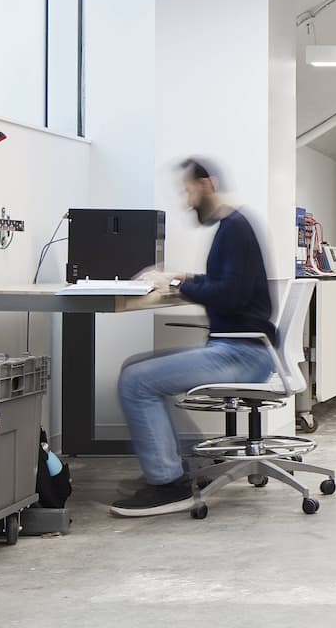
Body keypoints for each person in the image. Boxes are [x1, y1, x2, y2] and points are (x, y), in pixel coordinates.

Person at [110, 157, 279, 517]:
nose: (186, 202)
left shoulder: (235, 229)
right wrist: (179, 276)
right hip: (243, 348)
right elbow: (224, 284)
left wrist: (175, 283)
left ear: (207, 185)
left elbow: (230, 295)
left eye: (188, 191)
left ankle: (167, 483)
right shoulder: (234, 227)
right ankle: (178, 468)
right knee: (135, 366)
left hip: (243, 354)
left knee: (136, 382)